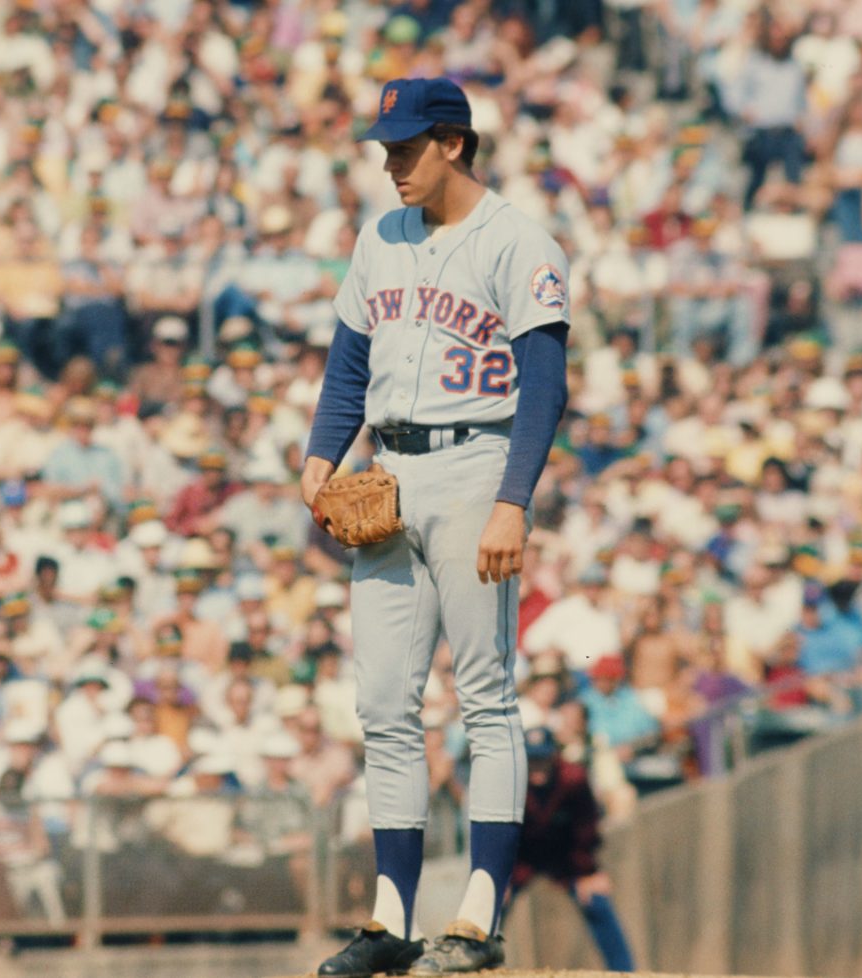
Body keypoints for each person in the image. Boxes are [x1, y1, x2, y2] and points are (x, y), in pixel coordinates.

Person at [301, 77, 571, 977]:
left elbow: (545, 382)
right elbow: (350, 357)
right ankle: (389, 921)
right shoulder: (379, 236)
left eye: (406, 149)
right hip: (390, 472)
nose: (391, 166)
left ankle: (480, 917)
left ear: (454, 143)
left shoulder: (518, 241)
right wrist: (321, 451)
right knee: (384, 703)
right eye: (385, 150)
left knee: (485, 695)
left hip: (475, 464)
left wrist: (512, 500)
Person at [509, 728, 635, 972]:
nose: (537, 765)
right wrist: (500, 875)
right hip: (522, 857)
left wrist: (588, 871)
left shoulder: (573, 778)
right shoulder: (513, 780)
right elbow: (503, 833)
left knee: (596, 900)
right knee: (490, 900)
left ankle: (624, 971)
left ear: (554, 756)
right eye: (532, 758)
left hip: (566, 857)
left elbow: (586, 827)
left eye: (542, 758)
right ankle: (478, 959)